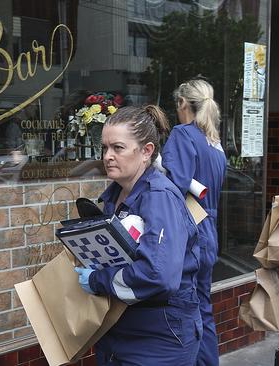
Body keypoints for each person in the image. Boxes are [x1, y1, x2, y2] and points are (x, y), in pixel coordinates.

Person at [74, 105, 203, 365]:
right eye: (105, 148)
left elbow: (159, 275)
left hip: (161, 335)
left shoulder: (159, 197)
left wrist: (99, 280)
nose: (108, 156)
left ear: (146, 152)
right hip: (120, 329)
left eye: (118, 148)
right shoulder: (114, 194)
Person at [161, 78, 226, 366]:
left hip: (189, 231)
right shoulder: (215, 143)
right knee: (203, 306)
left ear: (182, 103)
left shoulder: (182, 134)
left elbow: (174, 185)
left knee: (186, 309)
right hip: (209, 229)